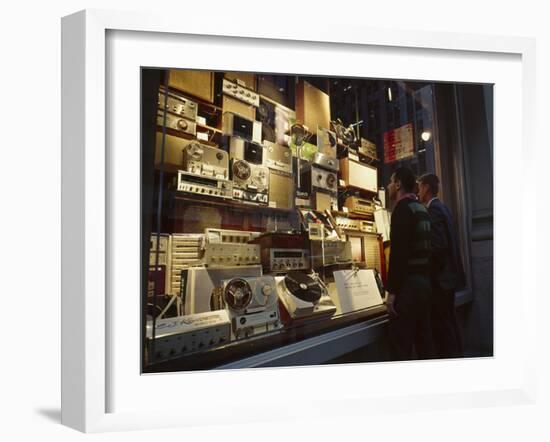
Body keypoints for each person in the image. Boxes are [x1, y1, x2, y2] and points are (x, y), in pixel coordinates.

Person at [386, 167, 434, 360]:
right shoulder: (422, 208)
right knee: (424, 342)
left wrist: (391, 293)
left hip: (408, 288)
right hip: (424, 284)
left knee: (402, 346)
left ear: (398, 184)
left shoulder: (402, 209)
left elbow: (399, 254)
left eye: (391, 182)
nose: (388, 186)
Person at [417, 173, 464, 358]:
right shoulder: (444, 208)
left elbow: (438, 247)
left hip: (440, 282)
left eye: (420, 187)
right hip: (449, 279)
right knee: (450, 325)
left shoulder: (433, 210)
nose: (418, 192)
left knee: (443, 330)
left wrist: (425, 272)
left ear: (426, 188)